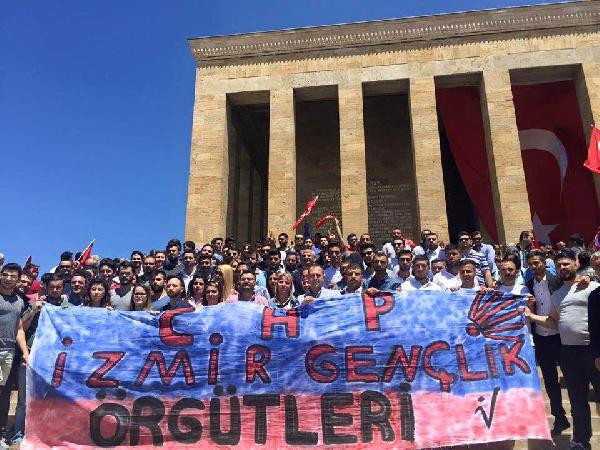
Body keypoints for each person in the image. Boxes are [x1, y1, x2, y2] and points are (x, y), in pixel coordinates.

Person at [524, 250, 600, 449]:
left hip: (593, 351)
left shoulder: (593, 287)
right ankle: (581, 440)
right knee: (577, 400)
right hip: (568, 353)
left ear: (576, 264)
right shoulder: (557, 294)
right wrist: (531, 316)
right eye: (559, 265)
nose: (562, 268)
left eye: (566, 263)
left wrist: (590, 275)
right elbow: (553, 321)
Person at [524, 249, 569, 434]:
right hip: (541, 338)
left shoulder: (557, 281)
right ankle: (559, 417)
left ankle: (577, 413)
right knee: (550, 381)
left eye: (537, 263)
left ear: (544, 263)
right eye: (530, 264)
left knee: (570, 377)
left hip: (561, 337)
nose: (534, 266)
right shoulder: (528, 285)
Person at [0, 264, 29, 447]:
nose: (8, 279)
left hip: (9, 352)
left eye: (12, 276)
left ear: (18, 280)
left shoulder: (19, 301)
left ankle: (2, 434)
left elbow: (19, 329)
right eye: (5, 275)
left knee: (4, 394)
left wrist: (25, 352)